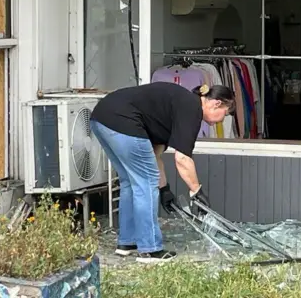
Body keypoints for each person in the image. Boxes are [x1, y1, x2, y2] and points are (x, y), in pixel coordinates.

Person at [89, 82, 235, 263]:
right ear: (216, 103)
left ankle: (127, 243)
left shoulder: (179, 104)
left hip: (101, 119)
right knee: (146, 183)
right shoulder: (192, 108)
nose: (222, 120)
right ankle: (150, 249)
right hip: (122, 121)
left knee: (130, 182)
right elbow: (182, 159)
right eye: (225, 114)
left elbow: (154, 153)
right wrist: (196, 192)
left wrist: (164, 188)